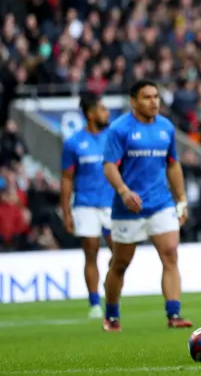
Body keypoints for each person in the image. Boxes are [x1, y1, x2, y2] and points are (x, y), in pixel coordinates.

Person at [102, 80, 192, 332]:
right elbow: (109, 166)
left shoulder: (166, 128)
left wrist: (181, 199)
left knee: (171, 255)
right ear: (133, 101)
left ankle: (174, 314)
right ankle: (111, 315)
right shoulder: (119, 129)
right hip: (128, 209)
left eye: (156, 97)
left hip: (160, 204)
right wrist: (123, 191)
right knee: (120, 263)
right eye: (147, 97)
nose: (154, 102)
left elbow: (173, 164)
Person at [60, 93, 114, 319]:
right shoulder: (73, 143)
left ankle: (111, 287)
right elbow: (66, 178)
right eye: (102, 109)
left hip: (113, 204)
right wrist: (66, 212)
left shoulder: (113, 139)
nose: (107, 113)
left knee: (120, 252)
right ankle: (94, 303)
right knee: (90, 252)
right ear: (91, 114)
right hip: (85, 204)